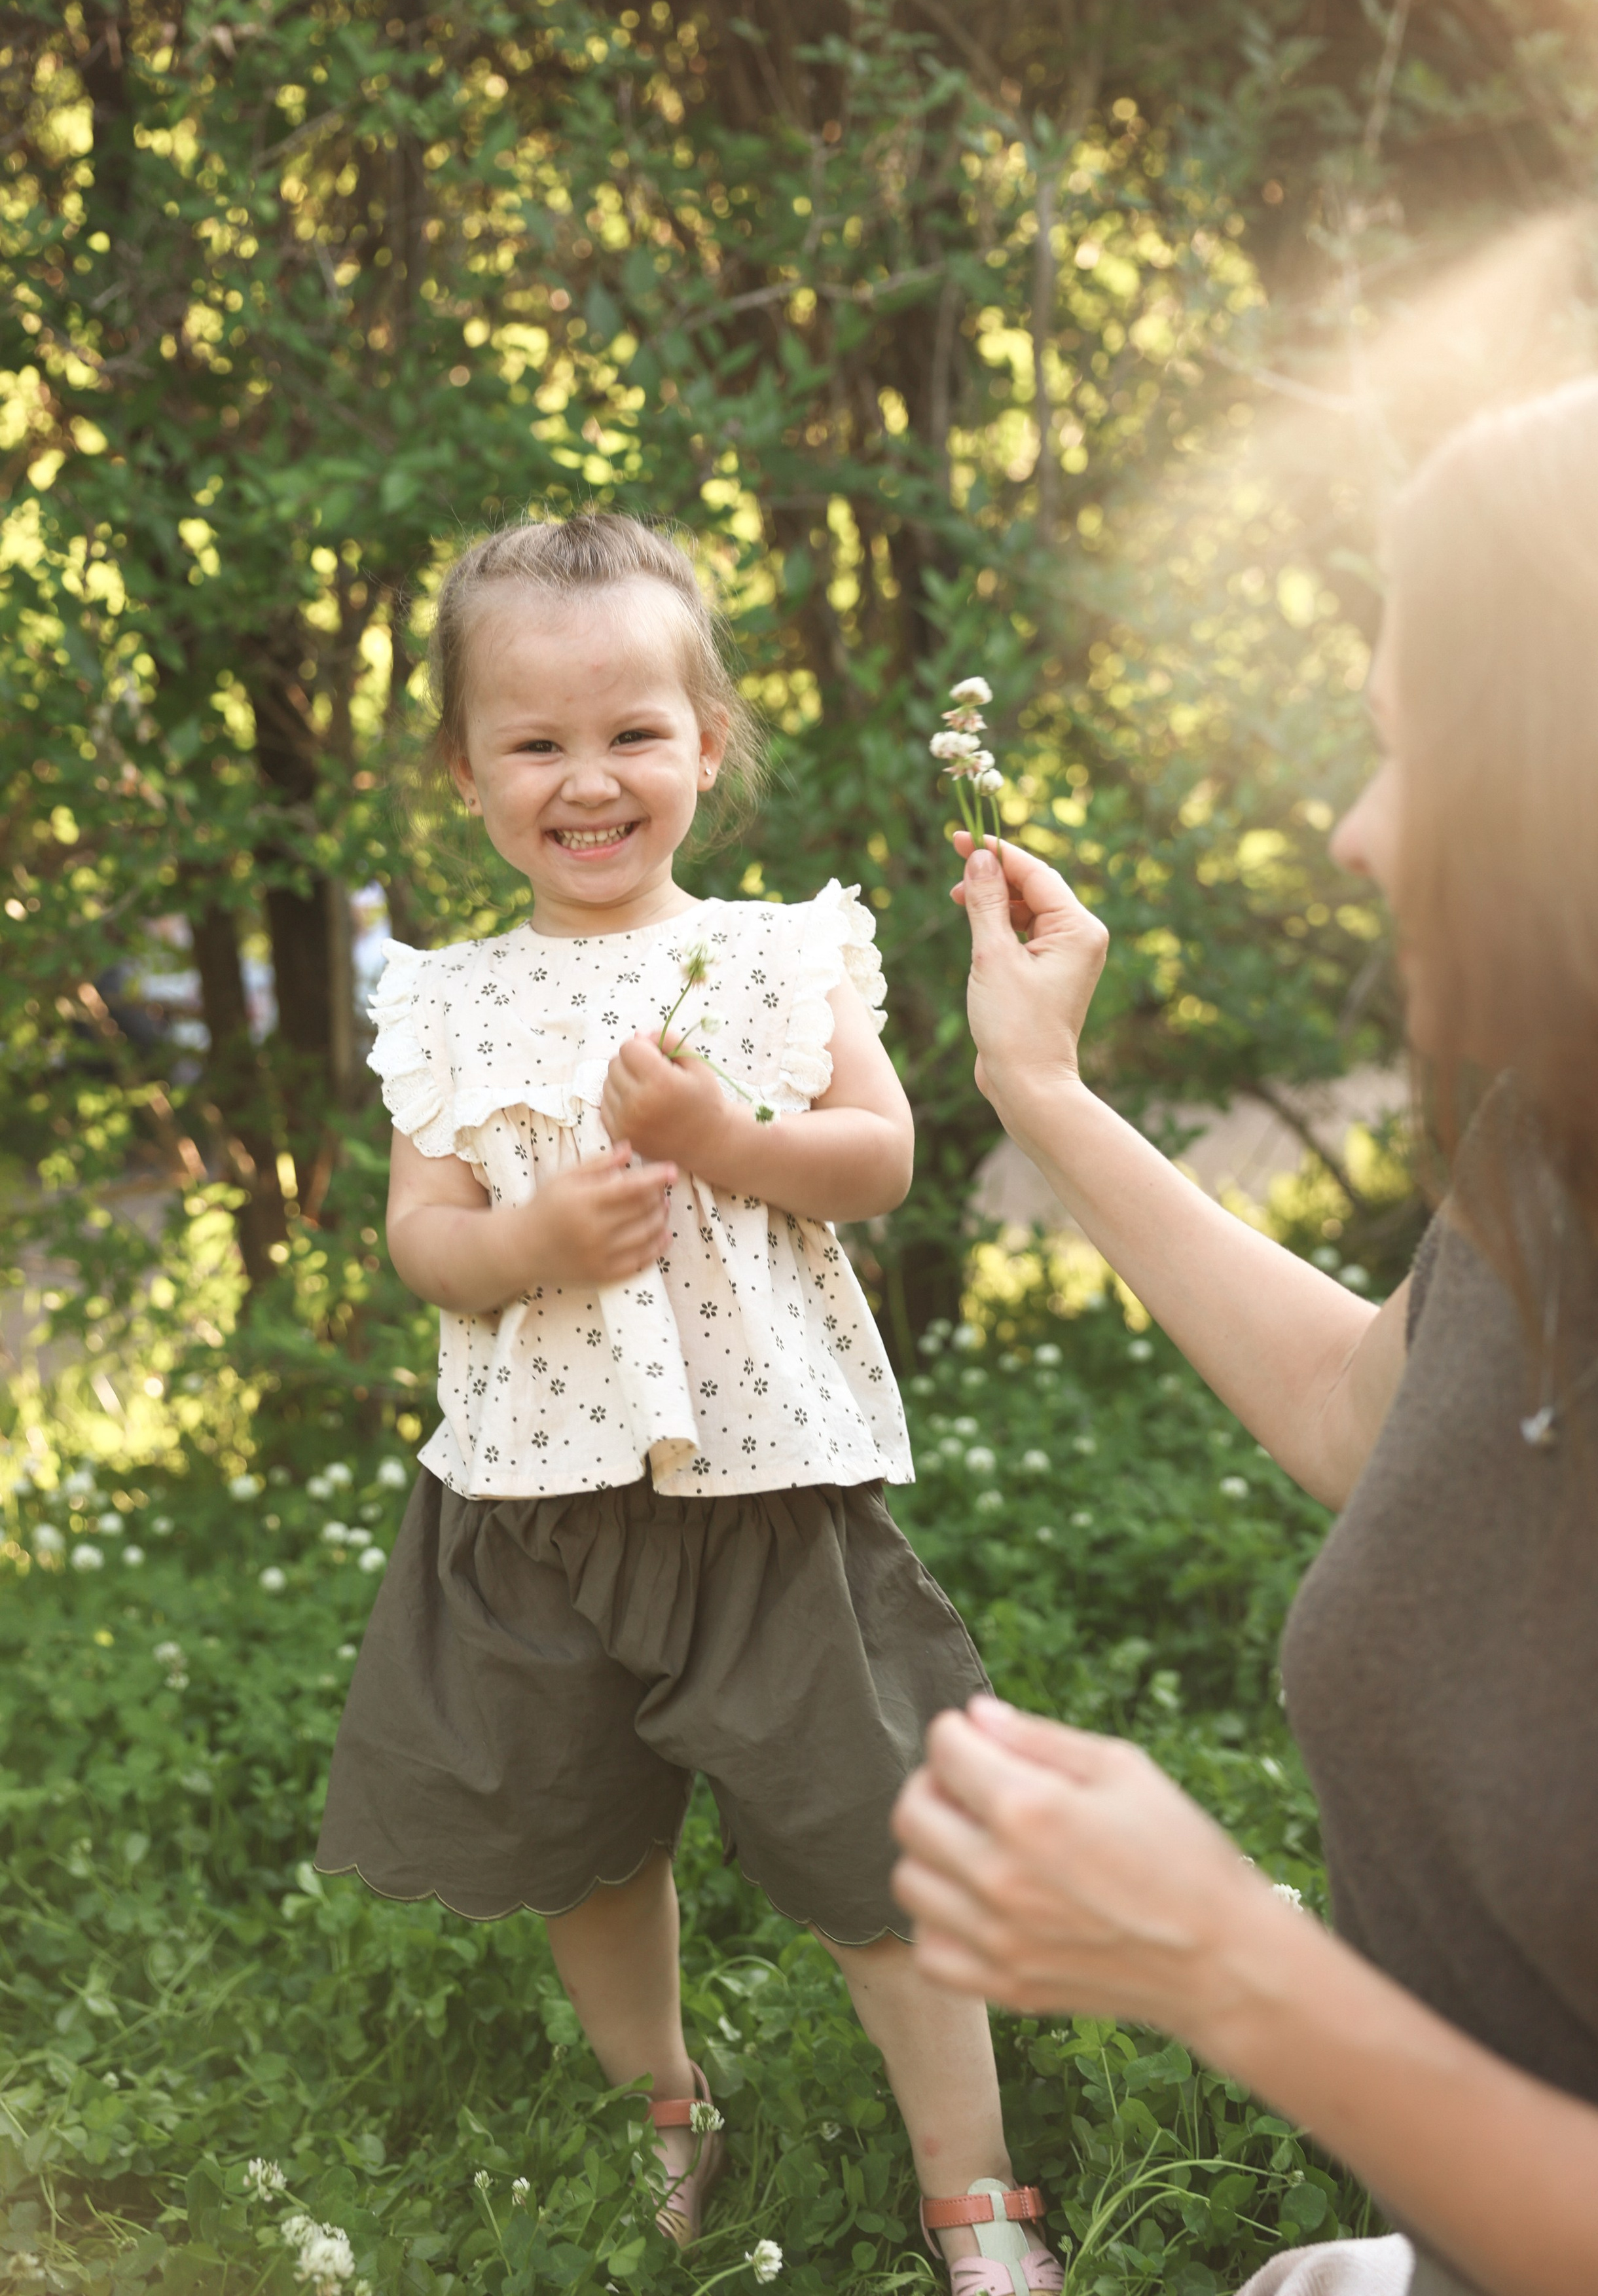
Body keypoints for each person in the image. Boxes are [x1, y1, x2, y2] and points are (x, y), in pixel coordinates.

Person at [890, 363, 1598, 2296]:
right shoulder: (1573, 1138)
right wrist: (1047, 1097)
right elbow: (1366, 1414)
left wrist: (1235, 1973)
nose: (1351, 830)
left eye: (1420, 753)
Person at [315, 510, 1063, 2291]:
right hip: (532, 1497)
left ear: (707, 745)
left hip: (767, 1493)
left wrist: (727, 1142)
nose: (591, 780)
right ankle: (668, 2105)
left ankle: (975, 2194)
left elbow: (877, 1159)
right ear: (465, 769)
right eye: (537, 742)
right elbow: (426, 1242)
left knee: (865, 1835)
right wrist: (534, 1243)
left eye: (633, 732)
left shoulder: (781, 956)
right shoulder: (448, 999)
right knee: (576, 1839)